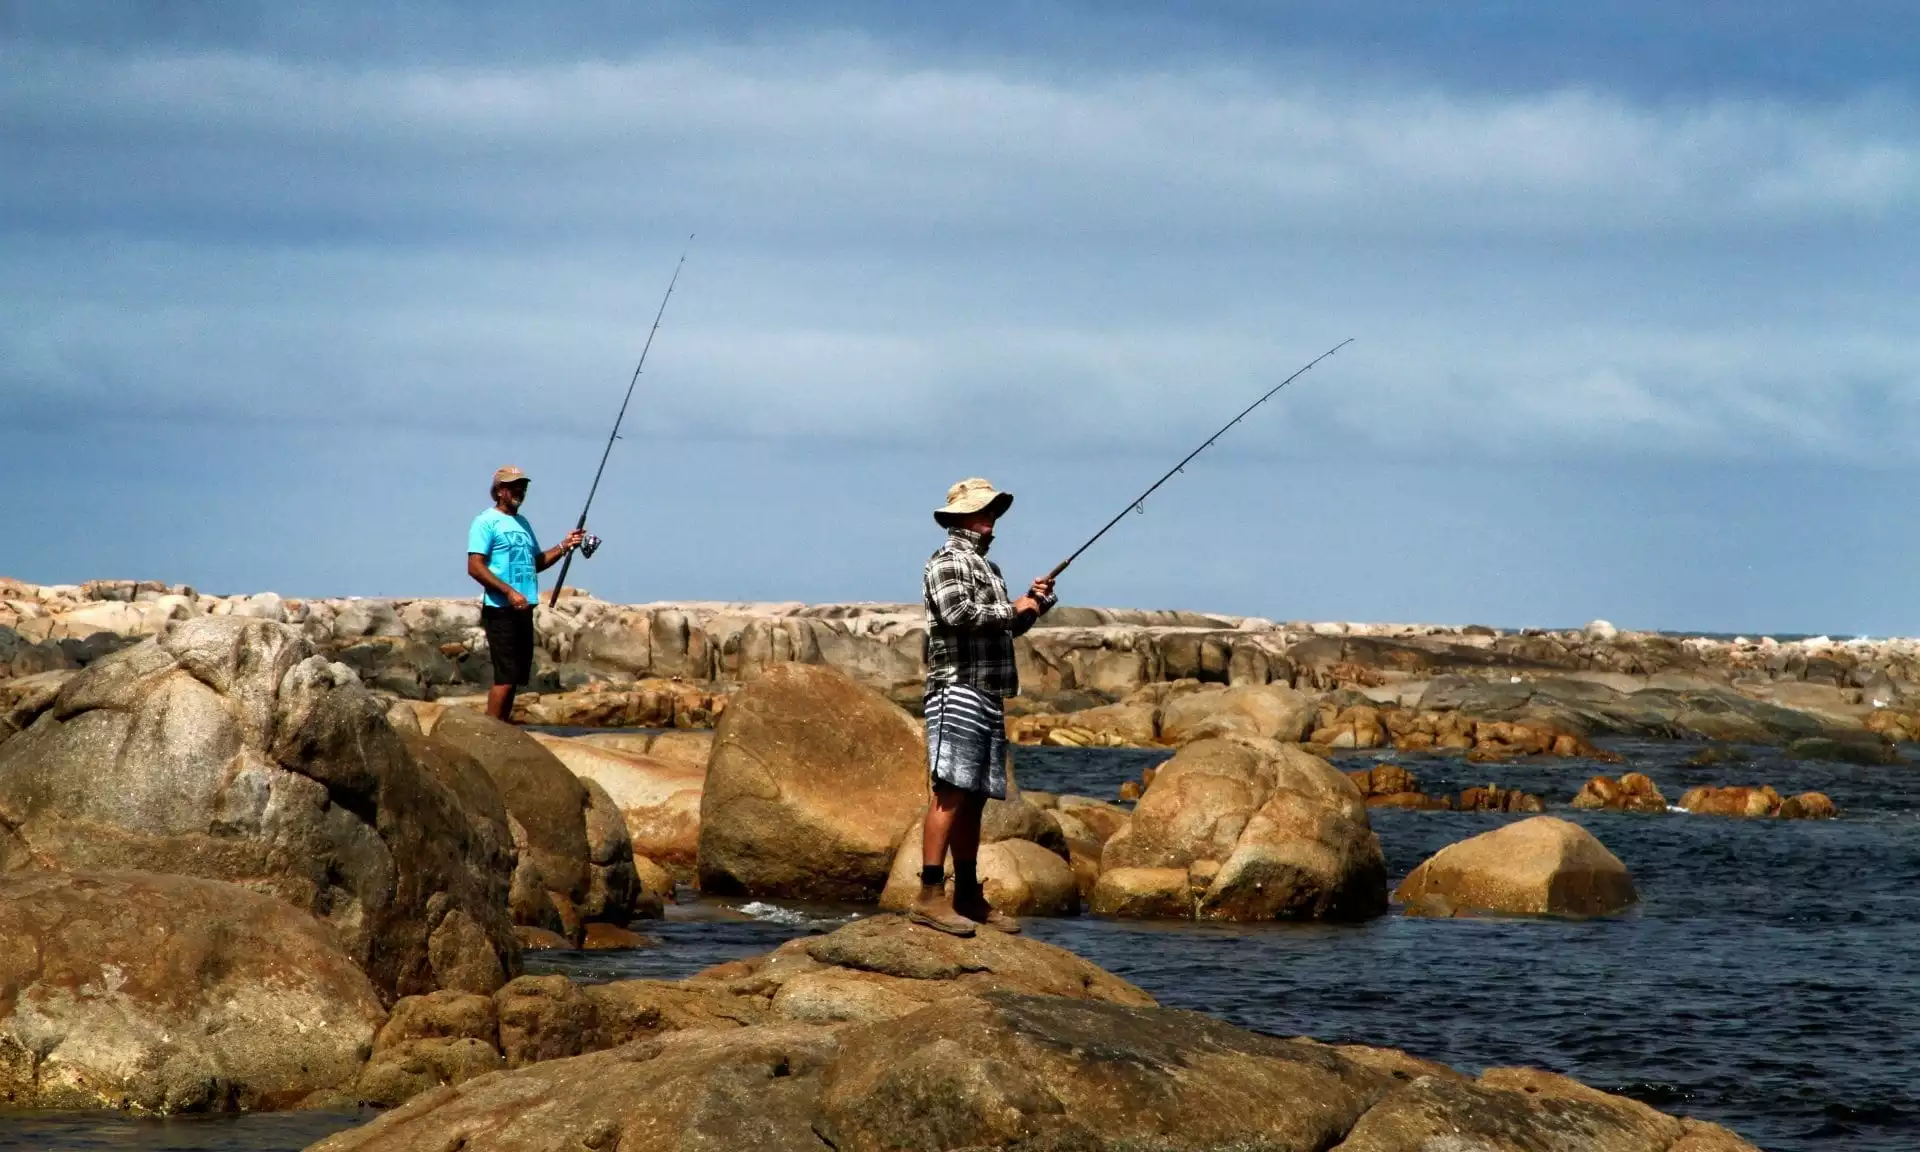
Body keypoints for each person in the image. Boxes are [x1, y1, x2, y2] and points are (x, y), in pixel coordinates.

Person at [913, 477, 1058, 936]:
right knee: (950, 792)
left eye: (993, 511)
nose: (992, 520)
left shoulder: (987, 568)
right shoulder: (946, 562)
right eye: (984, 512)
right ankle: (929, 895)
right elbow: (959, 616)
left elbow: (1002, 629)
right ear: (961, 518)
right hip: (955, 687)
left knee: (973, 799)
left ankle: (968, 895)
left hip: (988, 692)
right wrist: (1012, 609)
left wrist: (1033, 607)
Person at [466, 466, 584, 723]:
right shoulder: (485, 521)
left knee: (516, 677)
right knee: (505, 677)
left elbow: (537, 562)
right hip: (500, 608)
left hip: (523, 609)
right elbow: (474, 566)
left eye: (523, 486)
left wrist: (565, 545)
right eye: (513, 486)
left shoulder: (523, 524)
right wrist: (509, 592)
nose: (520, 490)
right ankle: (490, 731)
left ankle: (501, 727)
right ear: (499, 491)